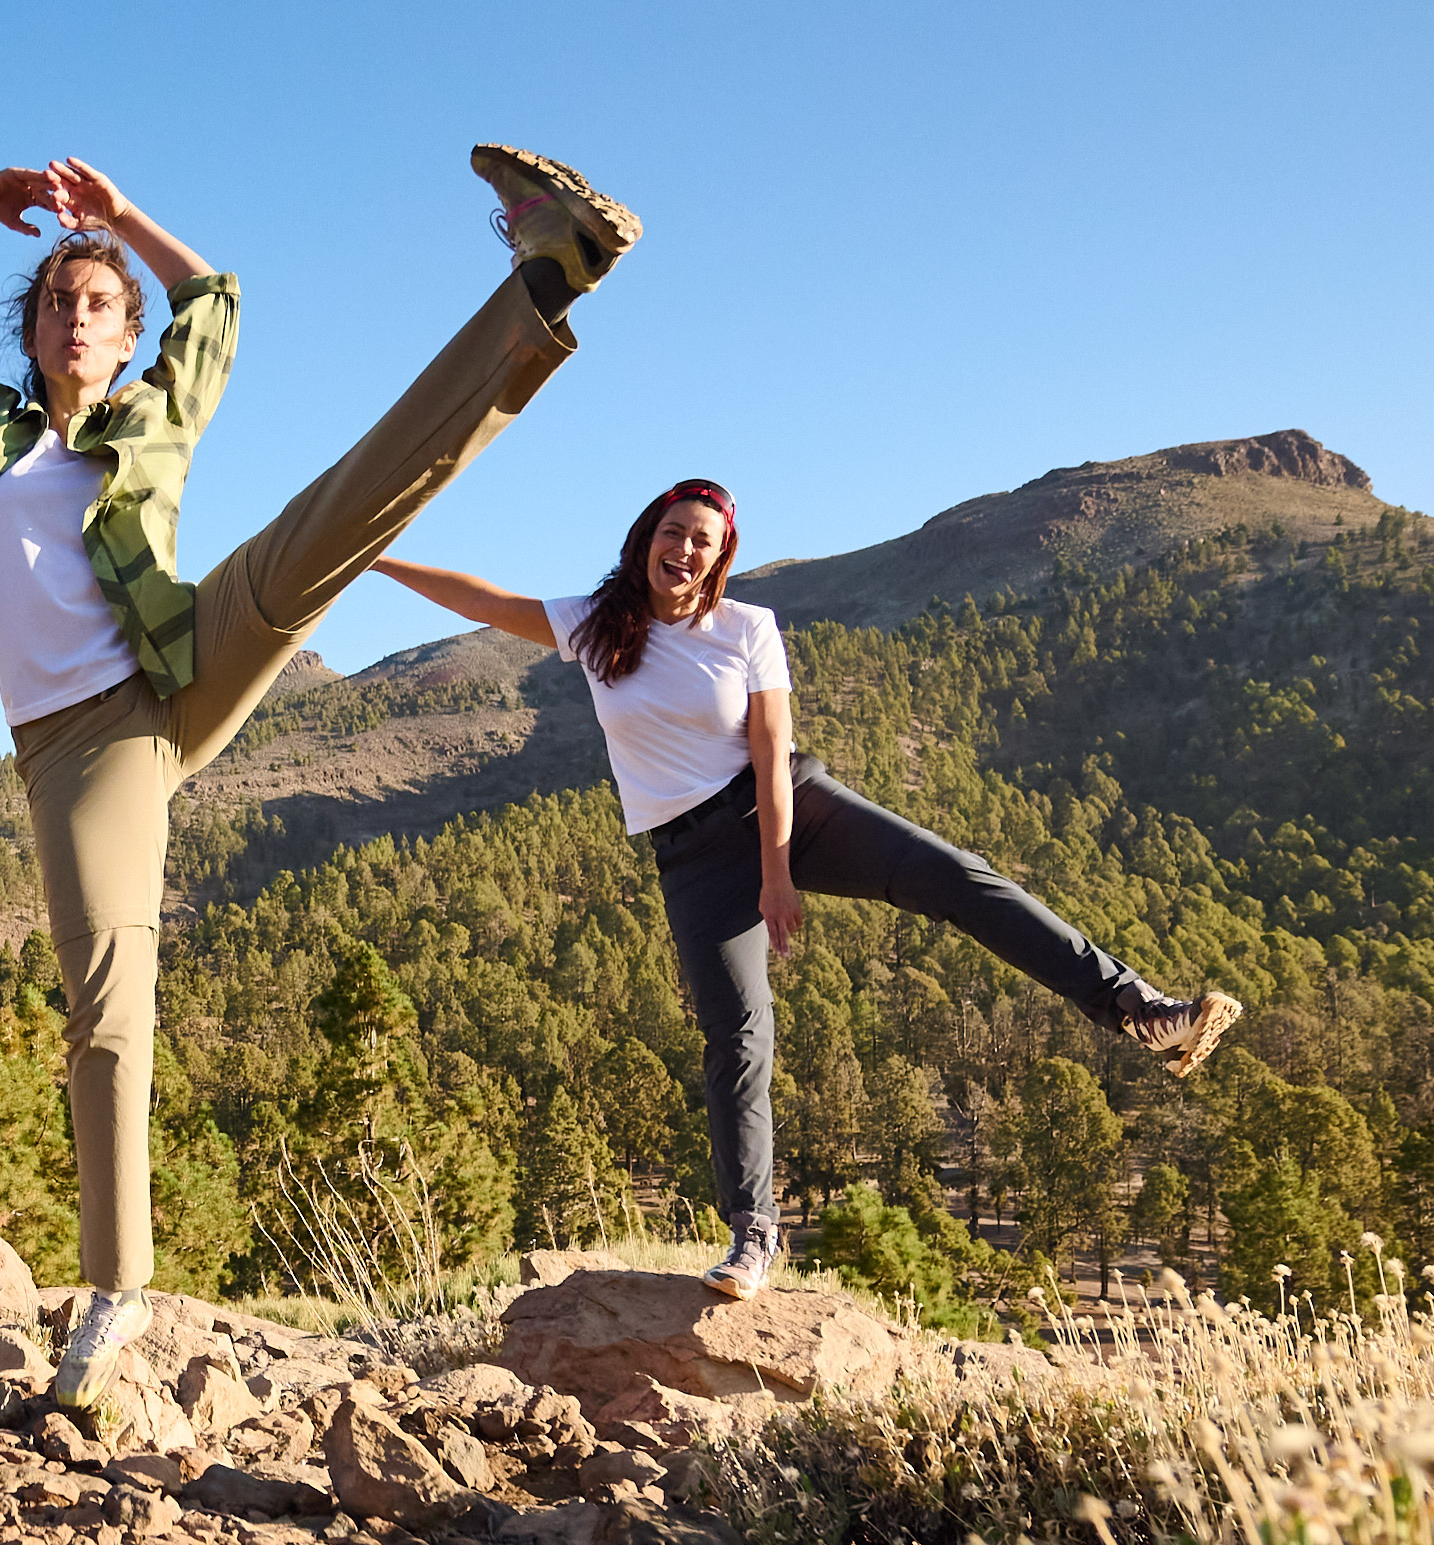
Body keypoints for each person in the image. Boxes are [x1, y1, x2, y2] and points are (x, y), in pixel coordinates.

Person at [0, 146, 636, 1400]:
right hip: (81, 746)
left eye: (100, 304)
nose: (76, 316)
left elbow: (211, 299)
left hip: (183, 651)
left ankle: (549, 276)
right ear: (32, 330)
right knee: (105, 1003)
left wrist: (121, 217)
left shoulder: (153, 414)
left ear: (124, 338)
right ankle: (116, 1291)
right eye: (58, 300)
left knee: (340, 508)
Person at [373, 478, 1246, 1297]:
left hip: (787, 808)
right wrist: (371, 555)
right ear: (645, 540)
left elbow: (768, 748)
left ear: (720, 557)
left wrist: (777, 871)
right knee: (736, 1035)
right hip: (690, 856)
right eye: (673, 533)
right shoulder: (596, 625)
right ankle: (753, 1233)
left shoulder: (745, 627)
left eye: (703, 541)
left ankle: (1138, 1009)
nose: (684, 549)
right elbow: (483, 601)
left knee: (954, 877)